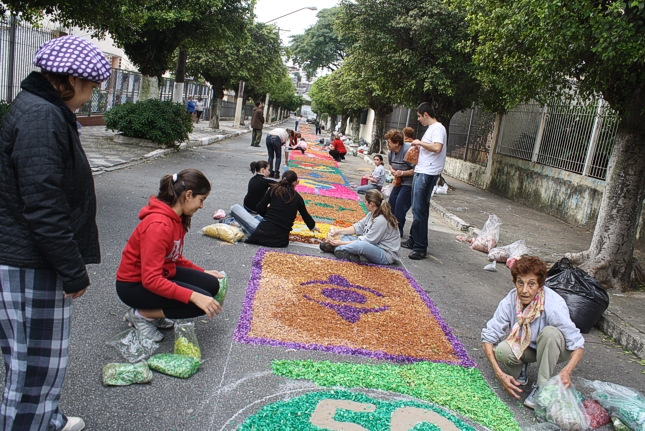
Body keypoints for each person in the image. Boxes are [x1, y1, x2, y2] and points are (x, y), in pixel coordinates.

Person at [0, 35, 111, 431]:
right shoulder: (41, 116)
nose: (90, 96)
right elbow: (43, 202)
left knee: (41, 360)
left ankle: (45, 419)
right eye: (91, 88)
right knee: (33, 364)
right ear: (71, 80)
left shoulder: (43, 109)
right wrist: (72, 269)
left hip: (33, 256)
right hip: (30, 261)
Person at [116, 169, 223, 343]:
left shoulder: (177, 218)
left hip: (161, 273)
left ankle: (155, 312)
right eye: (201, 200)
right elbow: (151, 280)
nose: (201, 206)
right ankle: (141, 314)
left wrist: (202, 271)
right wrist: (193, 296)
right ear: (188, 195)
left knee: (211, 284)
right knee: (200, 303)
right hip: (133, 285)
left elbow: (174, 257)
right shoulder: (158, 225)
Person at [481, 256, 584, 409]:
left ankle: (542, 387)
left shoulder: (554, 305)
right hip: (528, 345)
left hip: (555, 347)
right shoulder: (511, 300)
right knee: (502, 351)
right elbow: (488, 338)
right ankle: (521, 369)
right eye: (520, 283)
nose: (524, 290)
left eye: (531, 284)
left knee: (550, 333)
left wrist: (566, 371)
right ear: (515, 282)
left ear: (540, 285)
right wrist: (499, 374)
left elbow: (578, 345)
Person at [401, 102, 447, 260]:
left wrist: (419, 143)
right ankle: (414, 240)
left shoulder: (438, 128)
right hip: (421, 171)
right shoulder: (432, 129)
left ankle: (420, 247)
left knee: (420, 210)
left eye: (420, 116)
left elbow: (437, 148)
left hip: (428, 173)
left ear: (426, 115)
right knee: (416, 208)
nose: (418, 119)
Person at [319, 190, 400, 264]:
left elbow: (368, 241)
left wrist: (341, 242)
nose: (364, 203)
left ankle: (337, 248)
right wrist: (339, 232)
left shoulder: (381, 220)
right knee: (346, 236)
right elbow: (358, 227)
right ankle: (344, 250)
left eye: (365, 201)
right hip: (373, 245)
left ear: (371, 204)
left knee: (361, 245)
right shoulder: (371, 214)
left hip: (385, 254)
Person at [241, 171, 318, 248]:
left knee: (236, 208)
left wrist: (269, 216)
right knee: (258, 218)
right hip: (281, 241)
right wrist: (312, 226)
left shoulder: (274, 189)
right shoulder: (298, 198)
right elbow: (305, 215)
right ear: (295, 183)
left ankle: (238, 225)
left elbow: (260, 208)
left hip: (260, 234)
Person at [385, 129, 415, 237]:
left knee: (400, 204)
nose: (387, 144)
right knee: (391, 203)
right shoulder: (391, 152)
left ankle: (398, 231)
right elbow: (390, 164)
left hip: (409, 182)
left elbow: (416, 170)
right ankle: (391, 227)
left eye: (389, 142)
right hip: (398, 181)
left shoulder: (408, 151)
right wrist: (392, 170)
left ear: (397, 143)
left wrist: (402, 173)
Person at [230, 161, 273, 227]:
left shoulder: (252, 179)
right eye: (268, 170)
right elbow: (279, 184)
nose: (269, 172)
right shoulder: (265, 181)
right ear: (263, 170)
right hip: (256, 209)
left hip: (246, 205)